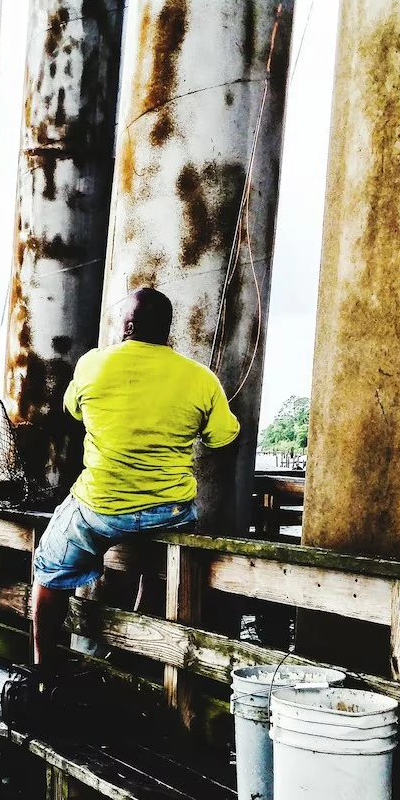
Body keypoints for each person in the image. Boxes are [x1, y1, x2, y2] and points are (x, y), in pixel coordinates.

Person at [30, 287, 240, 675]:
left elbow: (72, 411)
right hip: (169, 511)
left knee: (49, 567)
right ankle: (136, 657)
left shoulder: (93, 364)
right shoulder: (201, 378)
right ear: (167, 329)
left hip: (99, 507)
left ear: (127, 326)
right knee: (159, 571)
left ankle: (44, 667)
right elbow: (223, 440)